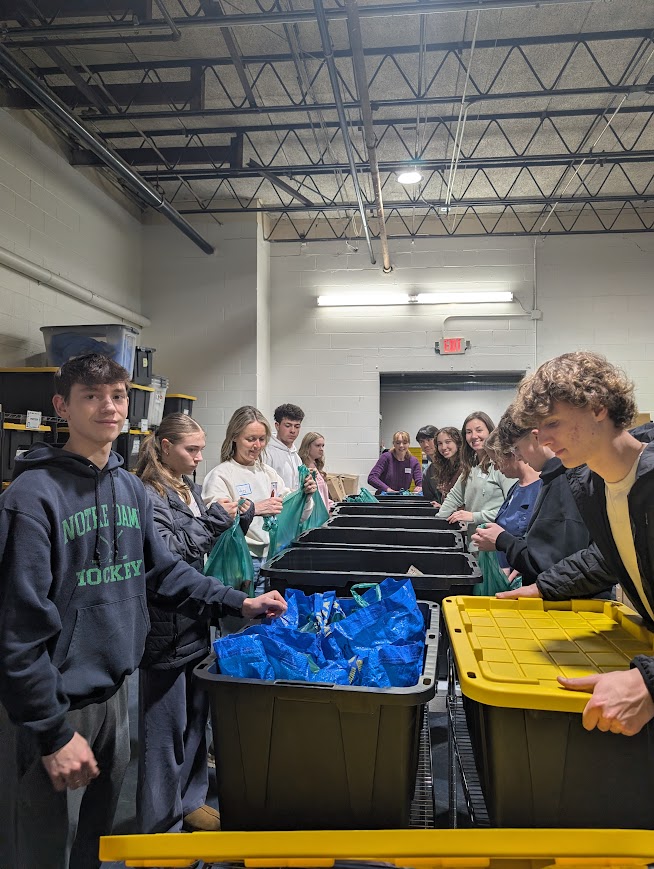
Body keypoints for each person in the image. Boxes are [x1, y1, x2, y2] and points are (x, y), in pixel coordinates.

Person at [0, 355, 286, 869]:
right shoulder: (31, 497)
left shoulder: (128, 488)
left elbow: (164, 572)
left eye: (117, 395)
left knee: (98, 838)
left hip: (114, 692)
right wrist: (51, 731)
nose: (108, 407)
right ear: (62, 406)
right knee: (41, 847)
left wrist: (238, 602)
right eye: (92, 396)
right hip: (57, 701)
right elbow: (17, 629)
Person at [497, 352, 654, 738]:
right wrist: (546, 587)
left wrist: (650, 683)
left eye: (552, 423)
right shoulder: (594, 485)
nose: (544, 439)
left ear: (598, 407)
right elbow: (610, 554)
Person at [134, 414, 255, 835]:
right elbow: (168, 558)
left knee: (194, 723)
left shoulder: (186, 489)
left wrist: (239, 518)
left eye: (202, 448)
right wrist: (215, 522)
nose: (199, 457)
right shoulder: (149, 494)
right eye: (191, 449)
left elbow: (201, 545)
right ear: (165, 447)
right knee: (164, 735)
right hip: (165, 627)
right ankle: (159, 827)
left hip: (193, 620)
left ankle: (190, 803)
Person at [202, 405, 317, 596]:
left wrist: (305, 496)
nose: (257, 445)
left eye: (262, 439)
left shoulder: (268, 474)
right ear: (234, 437)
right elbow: (216, 521)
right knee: (237, 620)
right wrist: (254, 509)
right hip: (238, 560)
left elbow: (298, 516)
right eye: (250, 439)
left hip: (270, 557)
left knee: (264, 618)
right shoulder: (221, 475)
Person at [472, 406, 590, 583]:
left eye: (517, 448)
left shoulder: (567, 480)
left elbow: (556, 562)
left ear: (537, 437)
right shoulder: (553, 478)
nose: (518, 457)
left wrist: (505, 542)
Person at [437, 412, 512, 551]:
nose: (474, 436)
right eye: (469, 432)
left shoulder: (502, 466)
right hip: (475, 545)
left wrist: (473, 516)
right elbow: (454, 497)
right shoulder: (471, 466)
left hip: (496, 548)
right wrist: (437, 523)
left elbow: (511, 510)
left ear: (490, 431)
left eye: (479, 430)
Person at [481, 427, 542, 570]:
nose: (495, 468)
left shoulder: (540, 488)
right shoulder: (516, 487)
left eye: (497, 461)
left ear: (514, 454)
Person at [265, 403, 305, 490]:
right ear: (277, 426)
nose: (293, 431)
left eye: (297, 426)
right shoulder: (267, 452)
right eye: (288, 425)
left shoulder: (296, 457)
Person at [298, 431, 334, 512]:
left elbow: (322, 496)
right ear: (307, 447)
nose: (321, 449)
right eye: (318, 446)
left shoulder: (316, 466)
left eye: (323, 446)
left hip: (323, 514)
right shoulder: (303, 469)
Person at [433, 426, 464, 503]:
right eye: (440, 443)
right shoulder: (445, 467)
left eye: (448, 442)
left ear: (458, 442)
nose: (443, 447)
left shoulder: (465, 467)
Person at [415, 425, 440, 503]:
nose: (426, 445)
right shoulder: (427, 473)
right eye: (422, 441)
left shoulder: (453, 465)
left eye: (429, 440)